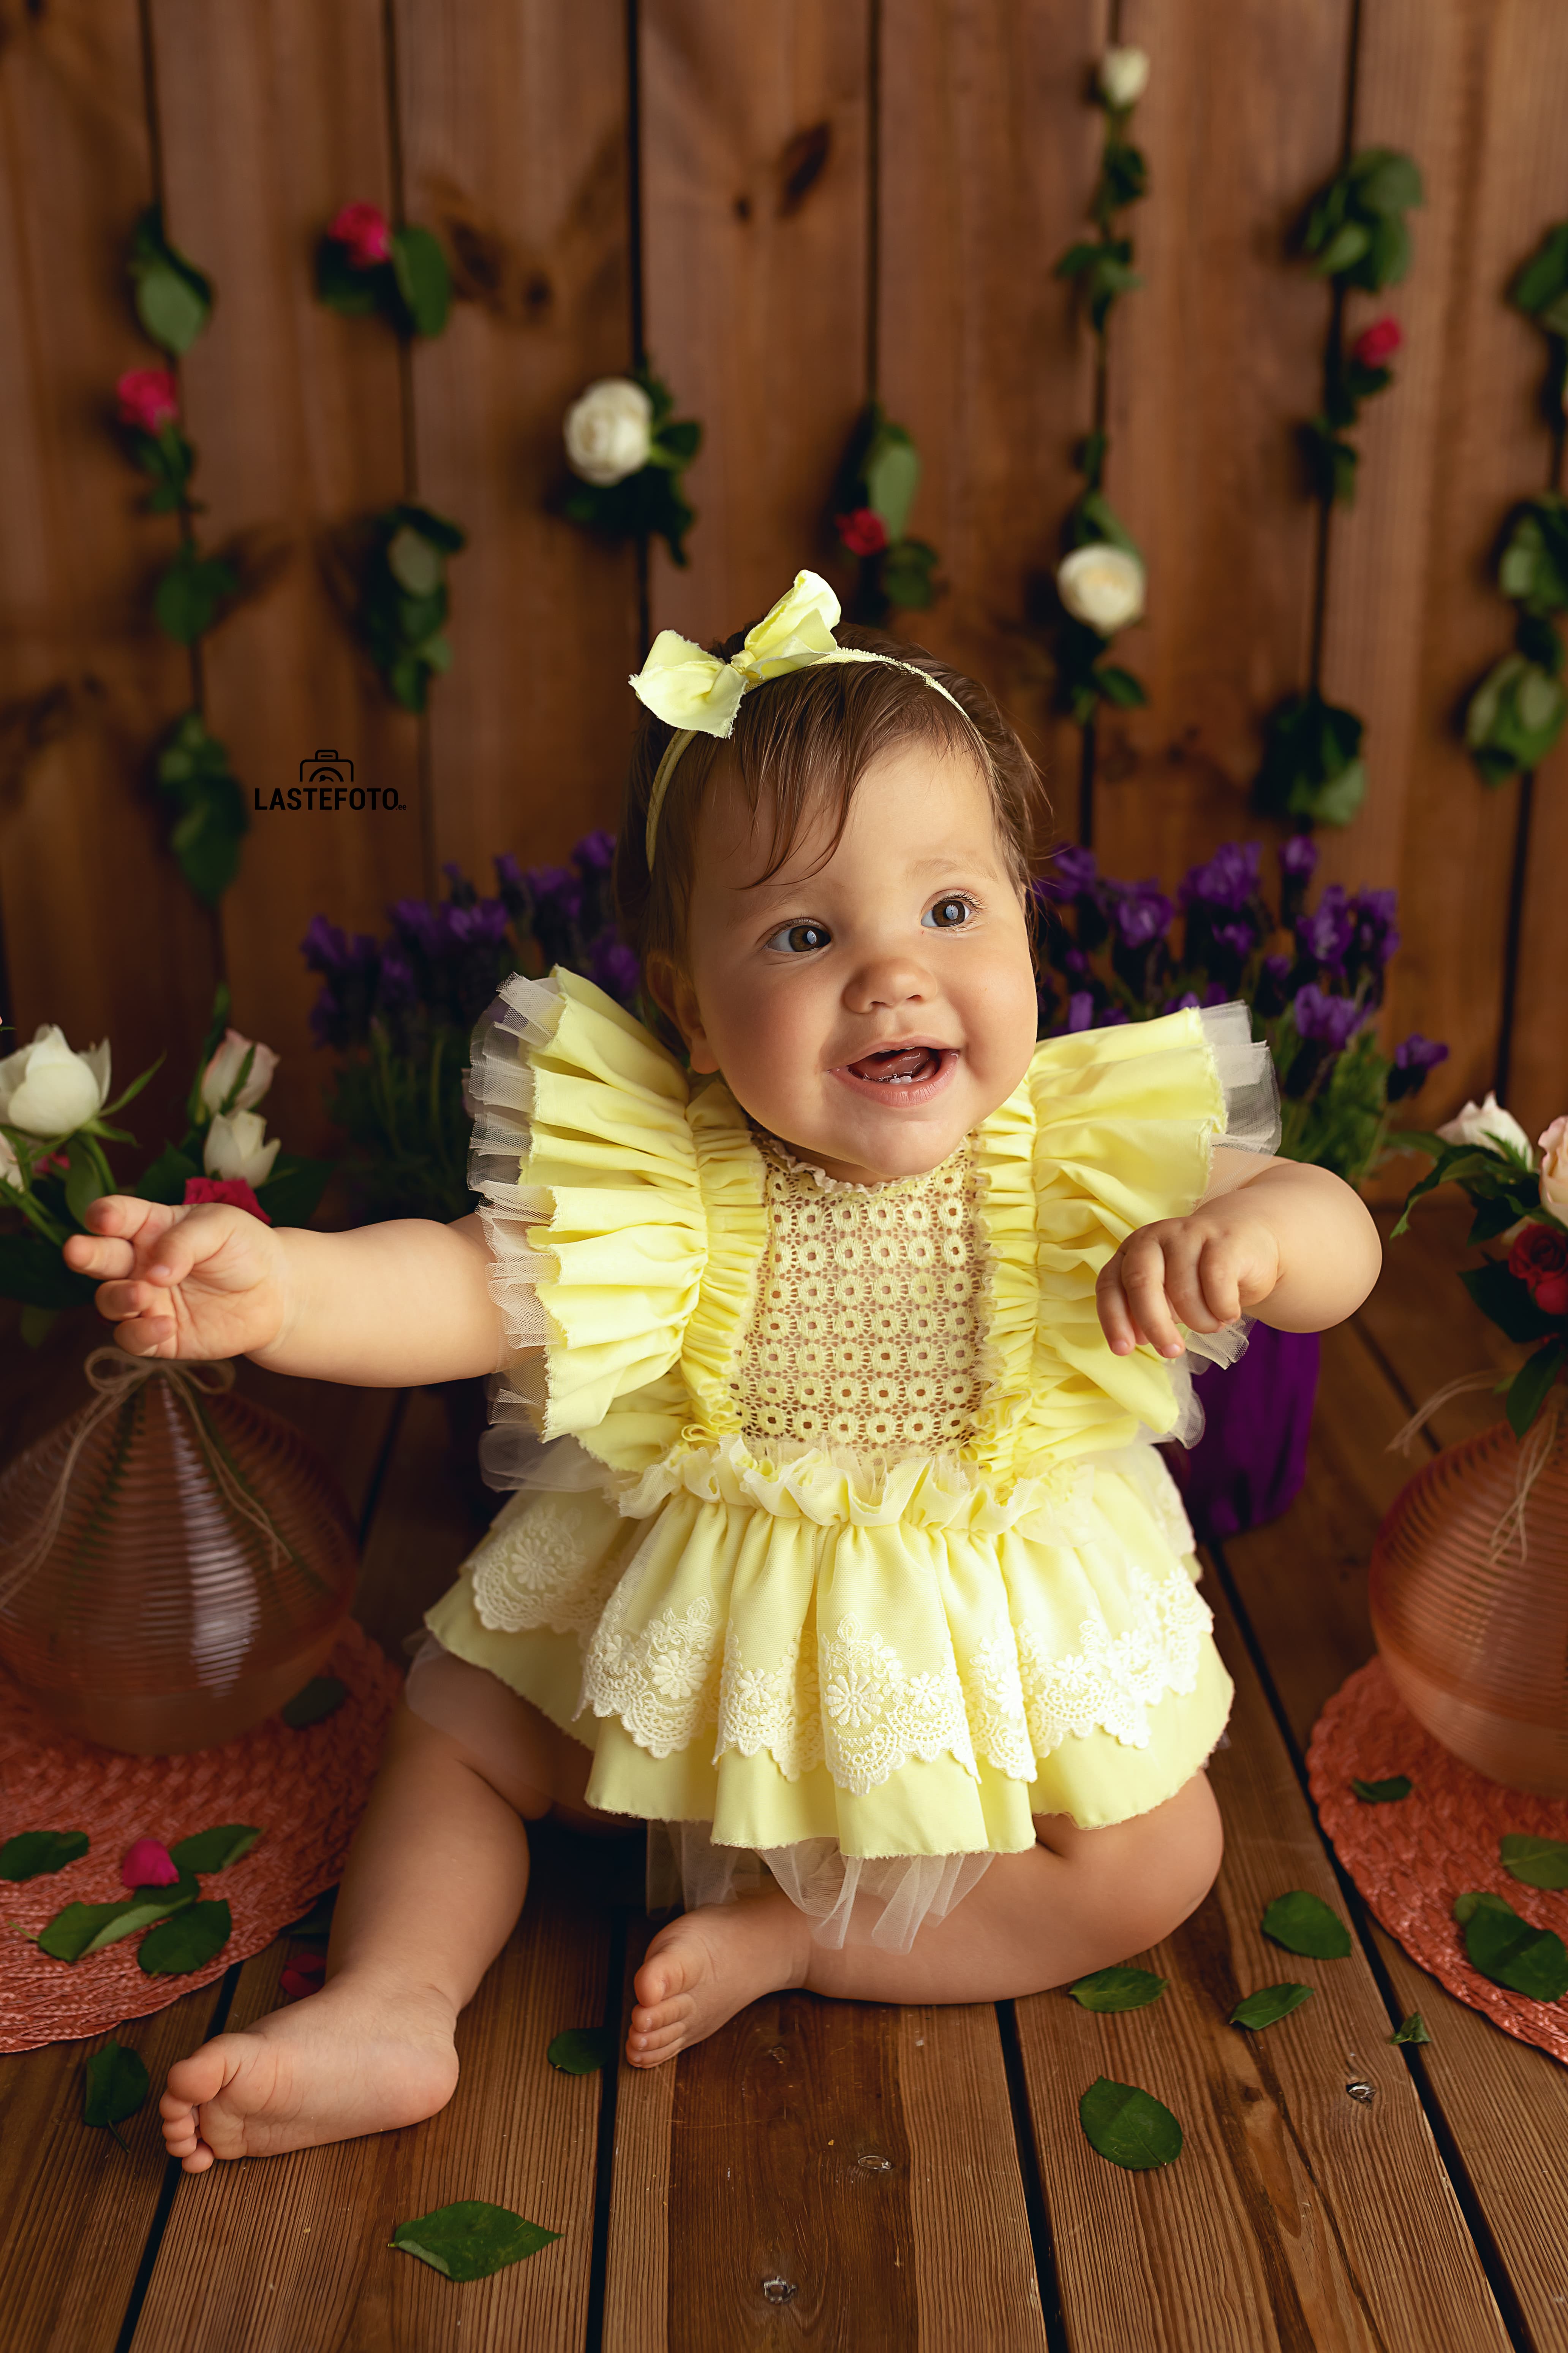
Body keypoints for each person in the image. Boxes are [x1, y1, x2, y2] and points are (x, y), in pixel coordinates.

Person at [64, 570, 1381, 2172]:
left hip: (965, 1677)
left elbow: (1334, 1235)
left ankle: (814, 1939)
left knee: (1157, 1856)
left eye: (951, 910)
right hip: (700, 1664)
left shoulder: (1077, 1161)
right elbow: (468, 1284)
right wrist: (289, 1285)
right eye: (807, 932)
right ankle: (397, 2001)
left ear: (1027, 922)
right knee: (461, 1722)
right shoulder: (676, 1185)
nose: (894, 972)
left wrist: (1264, 1246)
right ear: (691, 1007)